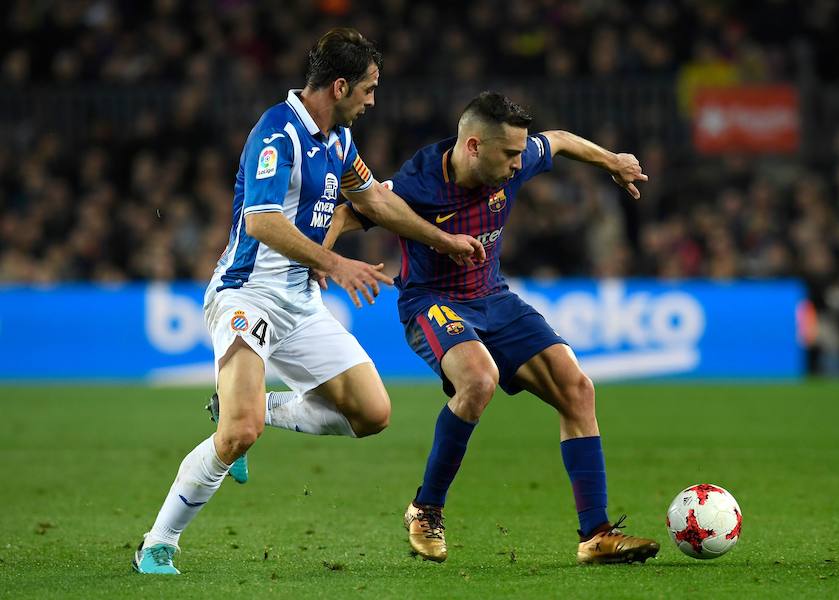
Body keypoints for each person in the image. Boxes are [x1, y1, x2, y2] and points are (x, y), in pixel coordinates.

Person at [132, 28, 484, 575]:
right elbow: (262, 219)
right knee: (237, 433)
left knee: (372, 414)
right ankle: (159, 543)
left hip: (299, 303)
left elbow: (372, 199)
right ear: (339, 86)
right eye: (367, 89)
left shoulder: (338, 140)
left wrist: (442, 240)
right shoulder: (279, 133)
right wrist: (334, 262)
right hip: (247, 294)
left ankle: (260, 408)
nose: (372, 101)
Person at [322, 91, 660, 564]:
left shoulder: (516, 160)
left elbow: (559, 141)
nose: (520, 163)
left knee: (576, 388)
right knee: (479, 380)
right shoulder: (417, 183)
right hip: (433, 302)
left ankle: (596, 534)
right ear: (475, 146)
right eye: (510, 154)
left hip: (493, 298)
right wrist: (326, 260)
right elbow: (350, 211)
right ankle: (426, 509)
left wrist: (612, 162)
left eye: (522, 152)